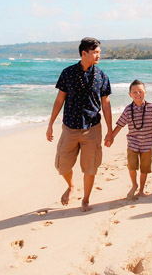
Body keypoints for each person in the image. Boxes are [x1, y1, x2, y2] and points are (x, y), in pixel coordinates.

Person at [46, 37, 113, 212]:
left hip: (92, 128)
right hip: (70, 127)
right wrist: (50, 124)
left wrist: (110, 130)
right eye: (95, 52)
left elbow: (106, 104)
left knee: (90, 167)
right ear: (84, 53)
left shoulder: (102, 76)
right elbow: (59, 100)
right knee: (62, 165)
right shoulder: (67, 73)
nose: (99, 55)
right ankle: (71, 186)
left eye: (99, 52)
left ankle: (86, 199)